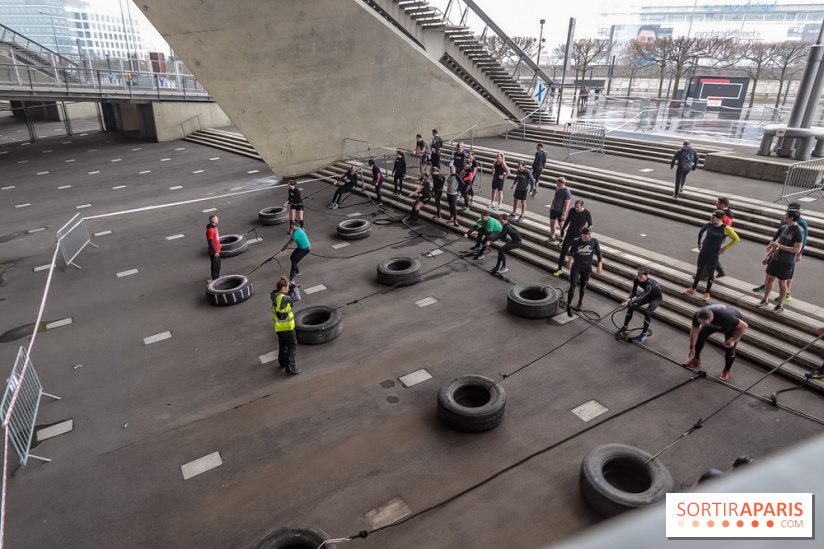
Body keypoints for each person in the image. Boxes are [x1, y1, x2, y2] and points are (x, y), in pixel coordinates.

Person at [753, 201, 809, 301]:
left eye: (786, 214)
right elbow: (779, 235)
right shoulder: (785, 224)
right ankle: (766, 294)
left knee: (784, 279)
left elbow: (801, 242)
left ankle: (786, 294)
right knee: (770, 276)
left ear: (792, 216)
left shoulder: (800, 226)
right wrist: (772, 247)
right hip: (777, 256)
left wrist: (799, 253)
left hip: (788, 258)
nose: (784, 216)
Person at [683, 210, 740, 302]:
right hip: (704, 251)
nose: (710, 219)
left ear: (719, 219)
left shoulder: (726, 228)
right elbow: (701, 231)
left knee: (710, 273)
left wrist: (725, 248)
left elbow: (736, 239)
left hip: (714, 253)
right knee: (698, 271)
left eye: (713, 218)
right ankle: (693, 288)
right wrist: (699, 242)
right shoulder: (709, 224)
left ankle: (707, 293)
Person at [684, 304, 748, 381]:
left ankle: (726, 371)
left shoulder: (727, 318)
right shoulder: (698, 315)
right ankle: (696, 359)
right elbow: (694, 330)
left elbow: (744, 326)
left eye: (704, 323)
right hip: (714, 322)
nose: (702, 324)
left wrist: (733, 340)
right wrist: (692, 347)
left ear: (711, 318)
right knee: (700, 337)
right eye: (702, 323)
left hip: (730, 327)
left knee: (729, 347)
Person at [617, 267, 663, 343]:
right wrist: (628, 299)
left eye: (641, 277)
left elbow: (641, 297)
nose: (639, 278)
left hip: (656, 298)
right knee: (631, 306)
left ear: (646, 276)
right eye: (638, 276)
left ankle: (644, 334)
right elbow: (633, 292)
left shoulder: (650, 285)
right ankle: (625, 327)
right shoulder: (636, 280)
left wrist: (628, 302)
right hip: (647, 295)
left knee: (647, 312)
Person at [565, 227, 602, 316]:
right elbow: (571, 252)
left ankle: (580, 302)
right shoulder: (576, 241)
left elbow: (599, 253)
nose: (589, 236)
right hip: (577, 266)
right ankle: (568, 305)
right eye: (587, 234)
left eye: (590, 234)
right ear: (582, 235)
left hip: (587, 268)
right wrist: (569, 262)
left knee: (583, 286)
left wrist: (599, 265)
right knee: (573, 285)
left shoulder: (594, 241)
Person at [271, 276, 302, 375]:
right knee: (292, 345)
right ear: (283, 288)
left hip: (278, 327)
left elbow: (288, 299)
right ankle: (291, 367)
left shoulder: (275, 295)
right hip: (287, 327)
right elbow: (297, 298)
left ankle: (282, 363)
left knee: (283, 344)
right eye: (288, 286)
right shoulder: (283, 298)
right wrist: (295, 288)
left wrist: (291, 289)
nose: (289, 288)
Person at [554, 199, 592, 276]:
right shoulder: (572, 210)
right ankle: (559, 269)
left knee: (577, 255)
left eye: (578, 207)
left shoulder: (587, 213)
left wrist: (587, 235)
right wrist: (563, 229)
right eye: (575, 207)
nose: (576, 209)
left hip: (578, 237)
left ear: (582, 206)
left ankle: (576, 272)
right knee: (563, 251)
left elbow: (590, 225)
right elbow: (568, 220)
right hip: (569, 234)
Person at [714, 197, 734, 278]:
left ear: (722, 205)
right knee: (711, 255)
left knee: (710, 255)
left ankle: (706, 274)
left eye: (717, 202)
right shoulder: (724, 213)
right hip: (717, 236)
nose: (715, 203)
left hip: (718, 238)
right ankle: (719, 271)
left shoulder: (725, 216)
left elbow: (725, 228)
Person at [548, 176, 572, 240]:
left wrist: (564, 213)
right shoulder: (557, 189)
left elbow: (567, 203)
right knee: (552, 222)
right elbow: (555, 198)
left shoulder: (566, 191)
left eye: (557, 181)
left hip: (561, 211)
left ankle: (563, 237)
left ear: (561, 183)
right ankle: (553, 236)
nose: (556, 182)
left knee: (561, 225)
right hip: (554, 209)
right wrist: (551, 206)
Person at [206, 215, 221, 281]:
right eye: (217, 219)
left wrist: (219, 245)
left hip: (217, 249)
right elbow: (210, 242)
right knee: (215, 266)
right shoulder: (211, 230)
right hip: (214, 251)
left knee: (218, 265)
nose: (218, 220)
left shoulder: (214, 227)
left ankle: (218, 276)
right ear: (214, 221)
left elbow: (216, 238)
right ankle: (215, 280)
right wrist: (215, 252)